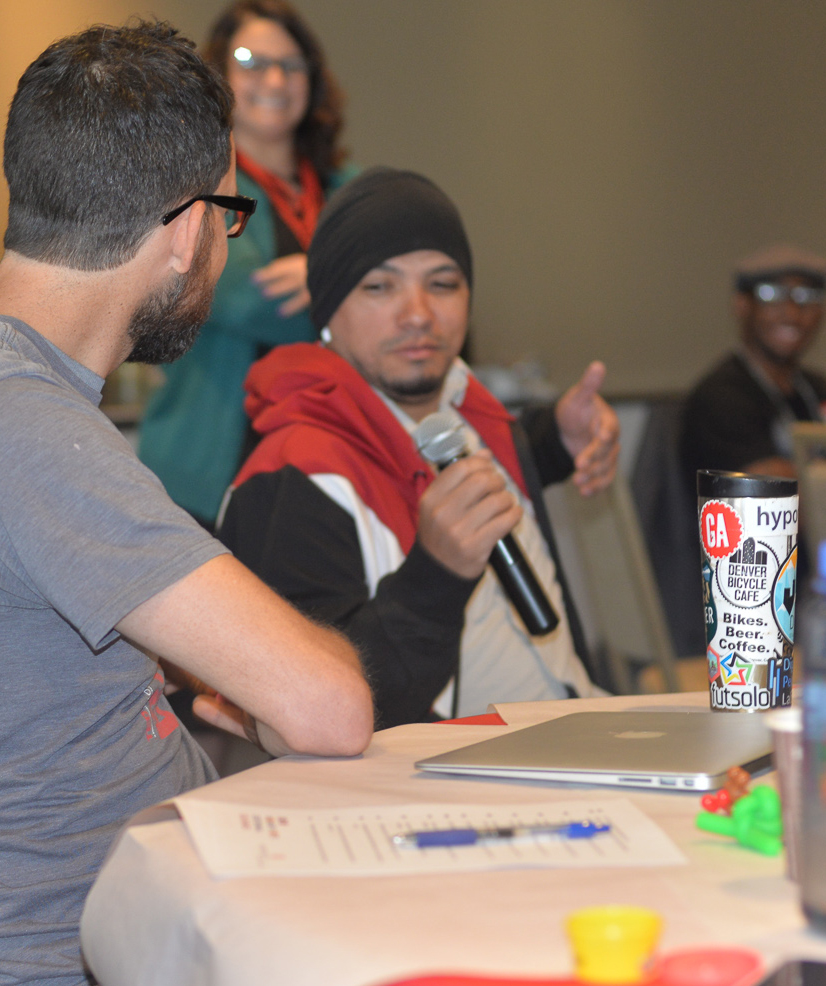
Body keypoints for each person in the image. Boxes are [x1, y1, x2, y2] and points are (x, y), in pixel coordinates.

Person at [0, 22, 373, 986]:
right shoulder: (20, 428)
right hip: (101, 958)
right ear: (186, 231)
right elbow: (328, 711)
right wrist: (266, 697)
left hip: (143, 921)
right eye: (228, 219)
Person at [217, 167, 620, 726]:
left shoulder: (469, 416)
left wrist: (559, 438)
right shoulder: (293, 478)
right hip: (459, 769)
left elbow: (496, 451)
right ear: (327, 310)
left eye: (443, 284)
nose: (418, 315)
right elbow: (316, 711)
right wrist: (436, 575)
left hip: (578, 721)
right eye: (379, 287)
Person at [138, 0, 358, 525]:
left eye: (291, 65)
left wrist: (316, 279)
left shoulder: (349, 190)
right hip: (209, 472)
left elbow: (394, 295)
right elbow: (245, 300)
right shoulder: (194, 189)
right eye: (251, 62)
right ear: (219, 76)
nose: (275, 80)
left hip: (323, 462)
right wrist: (346, 281)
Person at [679, 244, 826, 482]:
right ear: (742, 305)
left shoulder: (818, 387)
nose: (792, 313)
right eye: (771, 294)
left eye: (806, 297)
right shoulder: (720, 396)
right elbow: (772, 493)